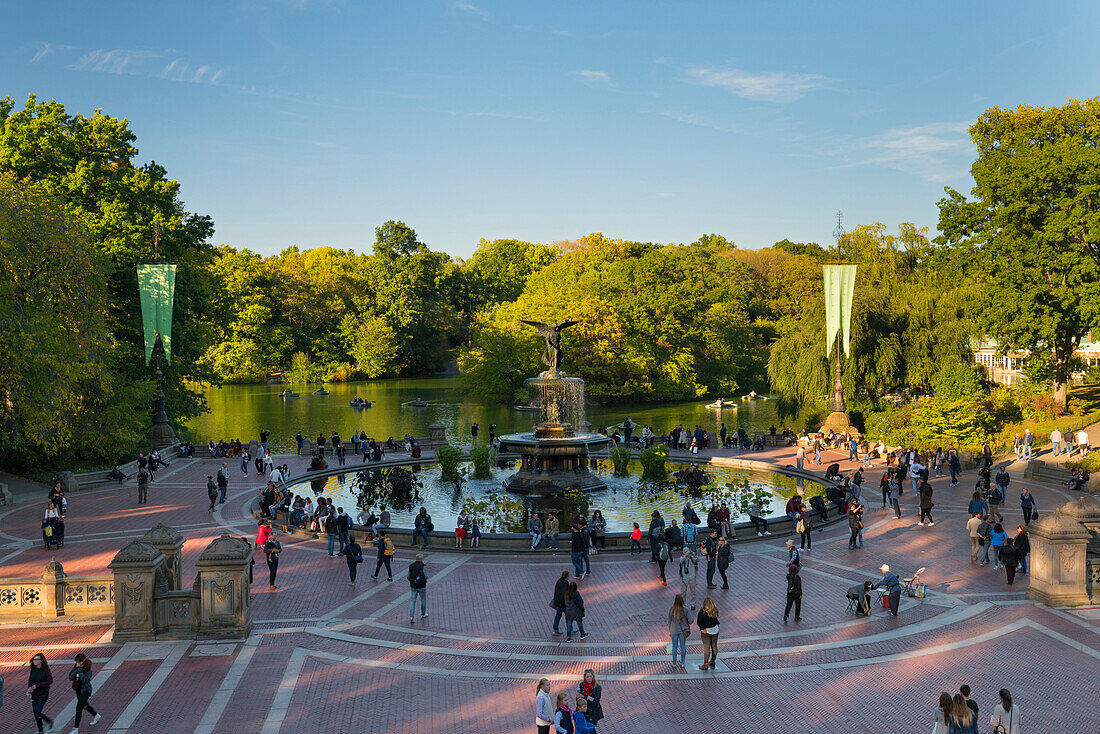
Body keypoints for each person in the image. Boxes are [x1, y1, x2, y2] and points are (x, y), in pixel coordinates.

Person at [69, 652, 100, 732]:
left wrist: (79, 670)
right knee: (85, 705)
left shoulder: (88, 668)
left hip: (85, 691)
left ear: (83, 661)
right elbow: (70, 676)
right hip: (78, 690)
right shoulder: (76, 667)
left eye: (78, 662)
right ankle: (96, 715)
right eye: (76, 662)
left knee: (78, 708)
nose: (77, 663)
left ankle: (75, 728)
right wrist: (76, 671)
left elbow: (85, 680)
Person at [27, 652, 53, 734]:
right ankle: (41, 731)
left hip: (43, 694)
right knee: (36, 715)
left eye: (36, 659)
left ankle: (49, 721)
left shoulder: (46, 670)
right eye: (34, 659)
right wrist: (29, 687)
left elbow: (50, 681)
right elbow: (30, 680)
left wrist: (37, 685)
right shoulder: (33, 669)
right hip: (34, 694)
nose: (34, 661)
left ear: (41, 661)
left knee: (38, 712)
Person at [696, 597, 720, 670]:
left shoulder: (702, 612)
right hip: (715, 630)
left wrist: (702, 628)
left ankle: (705, 664)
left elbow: (699, 622)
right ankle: (713, 660)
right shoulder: (715, 610)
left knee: (707, 648)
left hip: (706, 631)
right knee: (714, 646)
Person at [668, 594, 691, 669]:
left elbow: (669, 621)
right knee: (683, 646)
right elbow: (691, 620)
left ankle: (674, 663)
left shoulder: (672, 609)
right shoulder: (685, 610)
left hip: (673, 630)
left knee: (674, 647)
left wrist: (669, 630)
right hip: (682, 630)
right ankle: (682, 663)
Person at [408, 553, 427, 622]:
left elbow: (408, 576)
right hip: (422, 586)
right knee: (423, 600)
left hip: (413, 586)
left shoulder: (411, 566)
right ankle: (423, 614)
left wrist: (413, 581)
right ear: (421, 559)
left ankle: (411, 616)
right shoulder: (423, 566)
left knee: (413, 601)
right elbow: (426, 576)